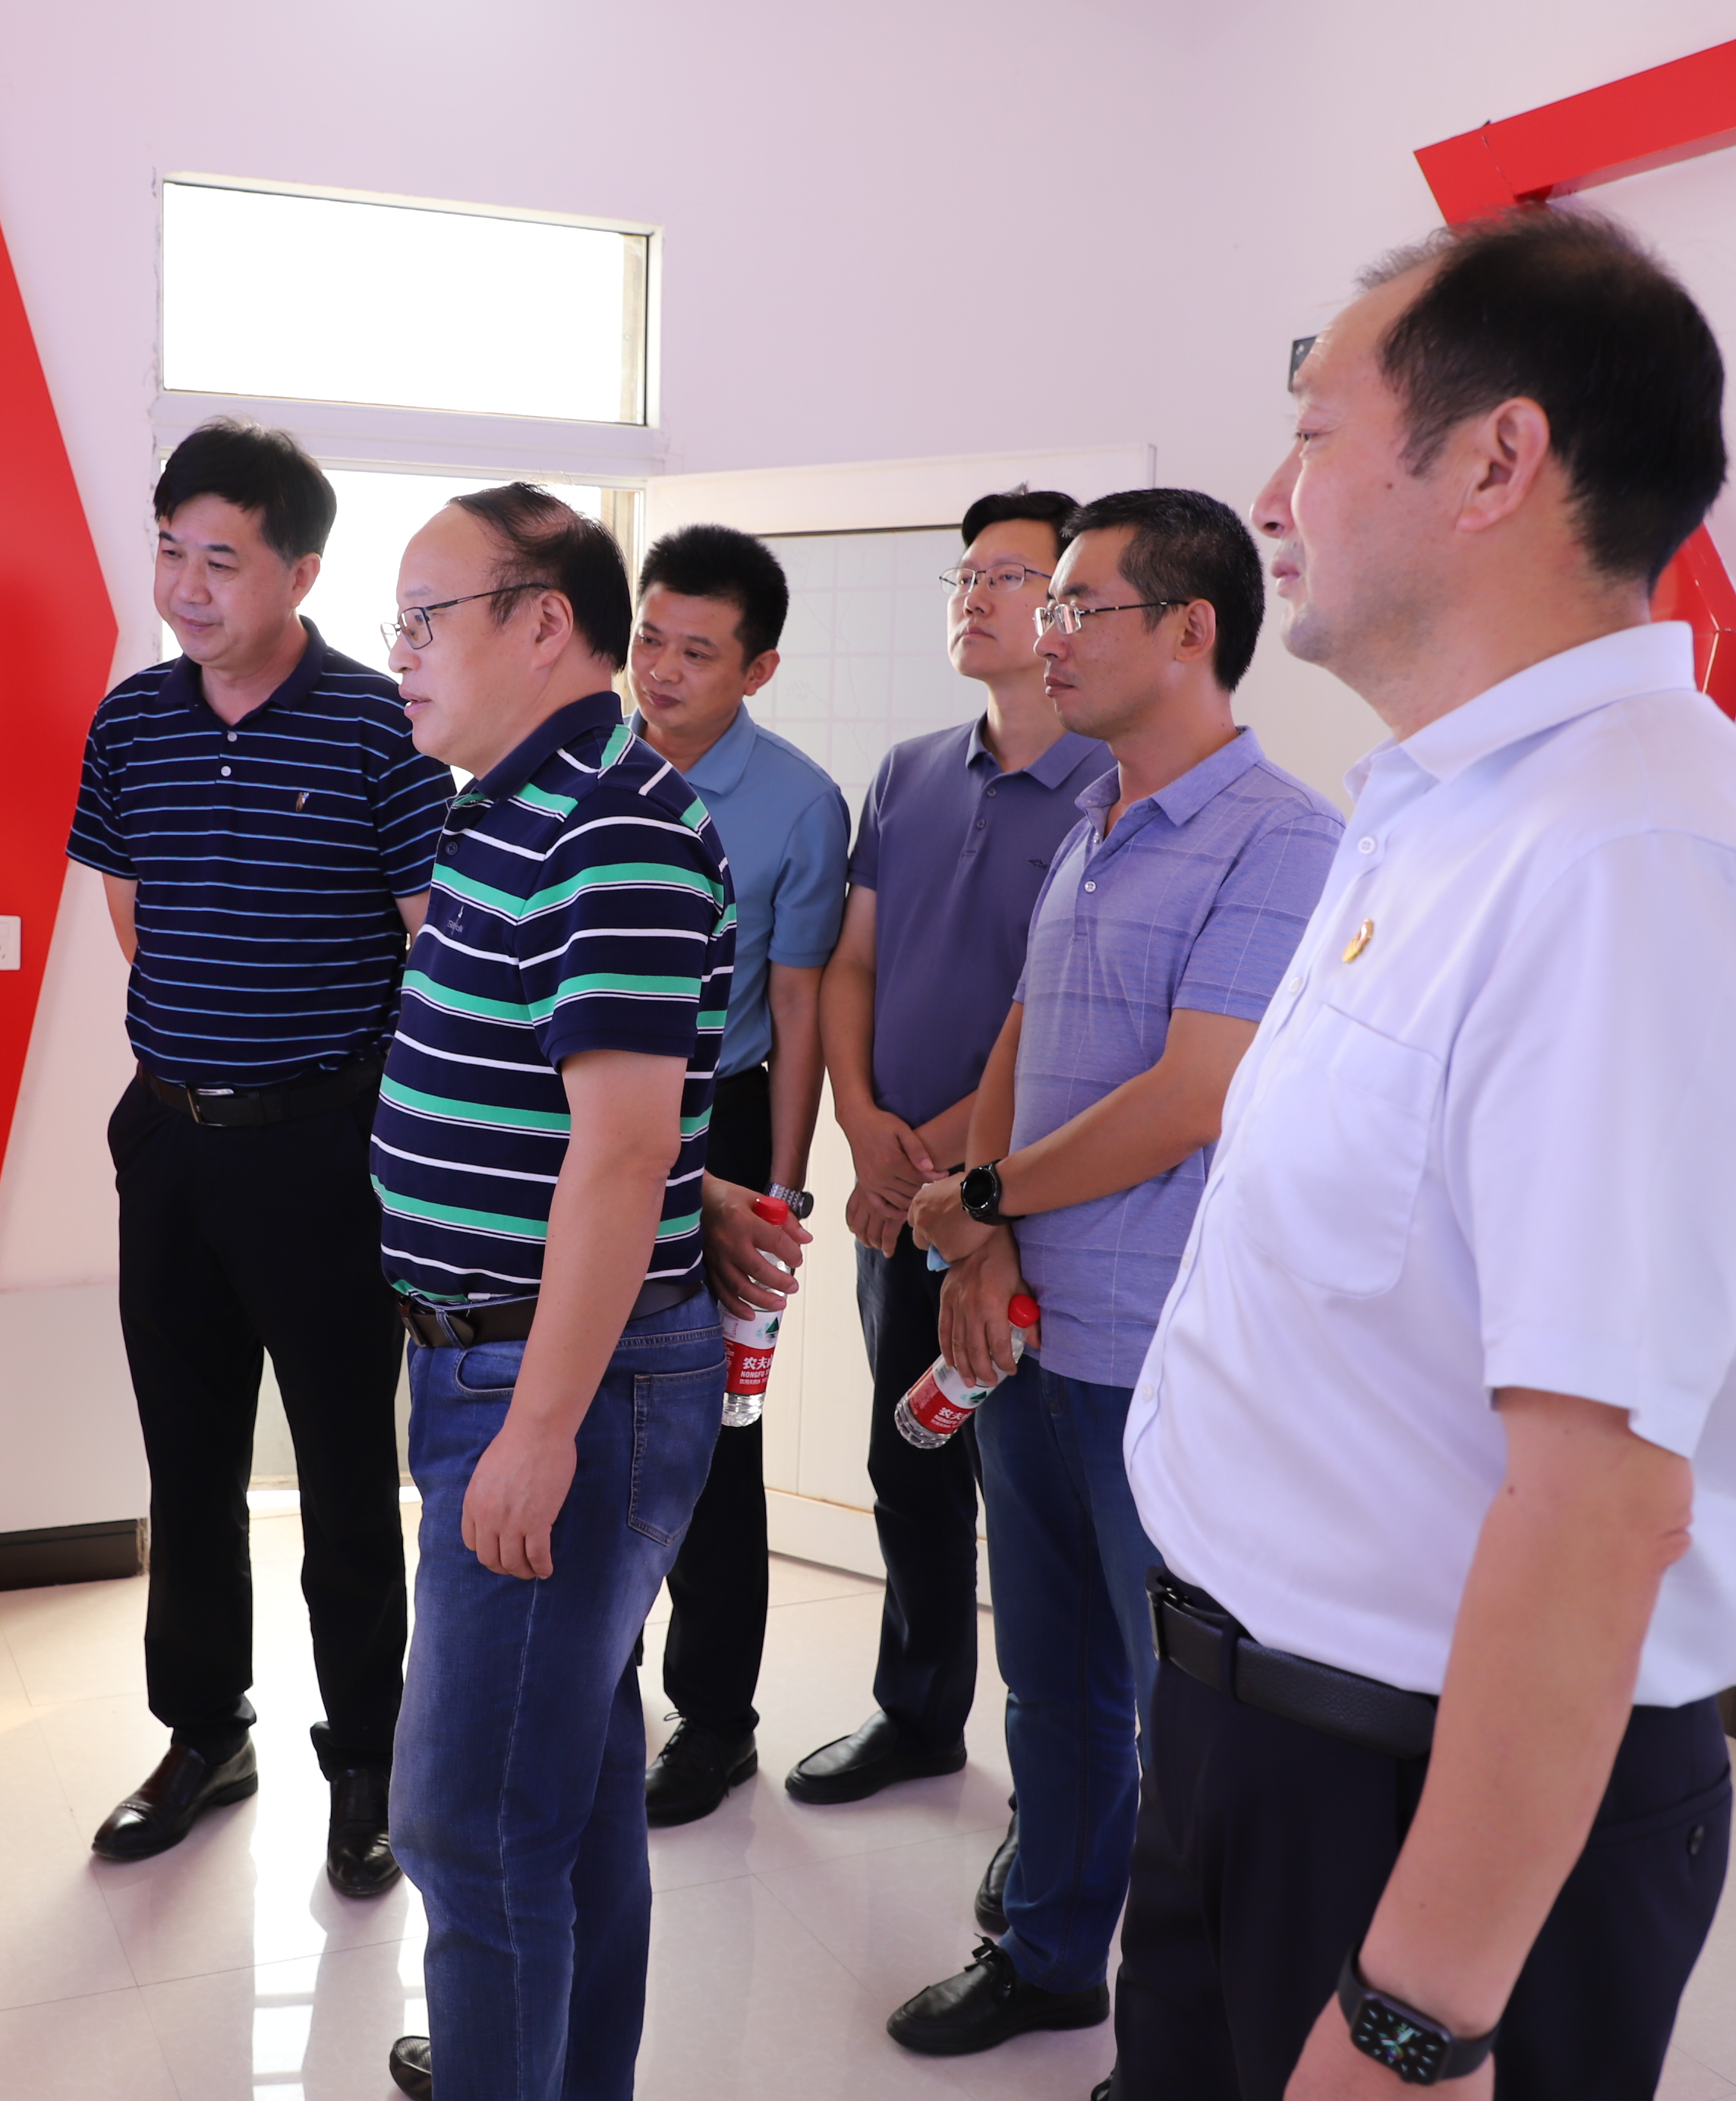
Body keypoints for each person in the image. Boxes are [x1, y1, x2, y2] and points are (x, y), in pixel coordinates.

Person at [1106, 211, 1736, 2099]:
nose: (1270, 496)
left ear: (1494, 460)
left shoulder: (1635, 862)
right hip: (1250, 1737)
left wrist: (1413, 2016)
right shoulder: (1447, 807)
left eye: (1315, 429)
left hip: (1417, 1805)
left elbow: (1597, 1502)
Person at [885, 490, 1339, 2055]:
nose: (1050, 634)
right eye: (1049, 604)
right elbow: (1024, 1034)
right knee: (1053, 1678)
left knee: (1187, 1714)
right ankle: (1051, 1950)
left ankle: (1194, 2044)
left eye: (1082, 606)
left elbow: (1189, 1095)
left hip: (1165, 1352)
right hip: (1033, 1328)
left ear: (1192, 629)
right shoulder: (1093, 822)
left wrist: (981, 1193)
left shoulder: (1285, 839)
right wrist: (989, 1239)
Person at [374, 485, 733, 2101]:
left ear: (541, 623)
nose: (401, 654)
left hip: (552, 1376)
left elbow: (622, 1143)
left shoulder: (613, 823)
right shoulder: (507, 808)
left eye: (423, 619)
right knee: (565, 1791)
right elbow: (585, 1100)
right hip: (501, 1354)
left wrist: (538, 1428)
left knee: (467, 1820)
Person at [67, 420, 450, 1893]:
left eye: (220, 559)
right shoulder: (132, 721)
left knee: (347, 1474)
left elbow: (431, 947)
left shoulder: (378, 725)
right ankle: (201, 1733)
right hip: (172, 1141)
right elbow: (136, 914)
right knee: (188, 1464)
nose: (186, 584)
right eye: (170, 550)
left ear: (301, 569)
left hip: (324, 1150)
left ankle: (368, 1761)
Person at [788, 490, 1111, 1816]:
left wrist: (952, 1169)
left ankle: (1064, 1800)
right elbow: (852, 963)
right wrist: (862, 1126)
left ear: (1070, 604)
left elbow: (1072, 1022)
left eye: (1009, 575)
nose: (974, 594)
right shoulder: (909, 772)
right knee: (909, 1455)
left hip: (1033, 1202)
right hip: (900, 1188)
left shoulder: (1113, 783)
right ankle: (917, 1715)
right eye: (963, 574)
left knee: (1040, 1503)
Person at [622, 524, 848, 1827]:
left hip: (723, 1116)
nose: (659, 670)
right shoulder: (581, 766)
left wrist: (782, 1186)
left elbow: (799, 999)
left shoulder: (800, 803)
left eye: (696, 652)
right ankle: (595, 1686)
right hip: (578, 1114)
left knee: (712, 1433)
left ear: (757, 668)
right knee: (585, 1409)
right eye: (649, 638)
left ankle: (714, 1721)